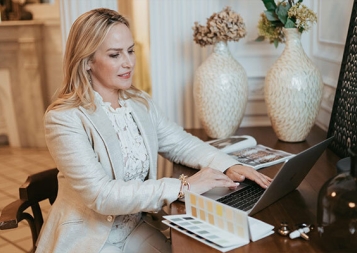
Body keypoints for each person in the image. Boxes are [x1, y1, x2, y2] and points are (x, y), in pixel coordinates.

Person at [35, 8, 272, 253]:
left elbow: (180, 143)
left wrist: (228, 165)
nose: (128, 63)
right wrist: (183, 187)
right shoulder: (63, 118)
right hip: (90, 239)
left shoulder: (139, 102)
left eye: (130, 50)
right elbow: (102, 195)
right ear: (87, 62)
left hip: (134, 227)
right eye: (115, 55)